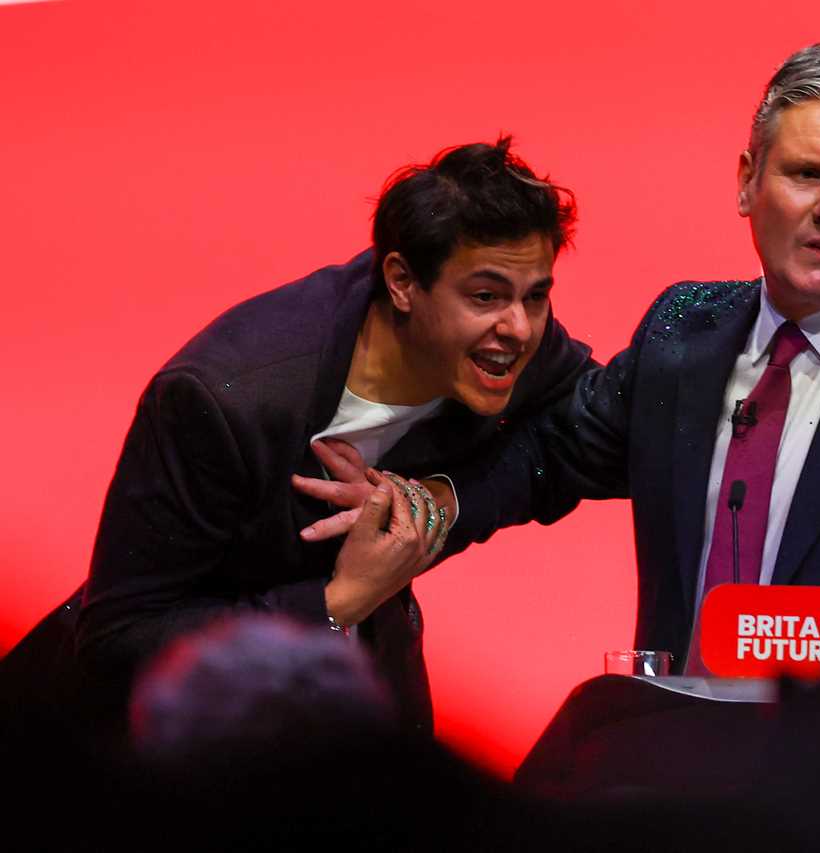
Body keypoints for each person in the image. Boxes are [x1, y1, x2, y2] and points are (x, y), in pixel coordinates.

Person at [302, 44, 820, 675]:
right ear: (748, 183)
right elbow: (546, 457)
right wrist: (427, 503)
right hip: (685, 777)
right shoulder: (681, 333)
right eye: (807, 173)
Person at [3, 137, 590, 735]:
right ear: (402, 282)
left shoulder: (505, 345)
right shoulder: (222, 399)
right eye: (486, 296)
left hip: (358, 693)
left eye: (536, 295)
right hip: (159, 747)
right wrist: (336, 603)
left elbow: (594, 434)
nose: (518, 327)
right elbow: (117, 638)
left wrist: (442, 501)